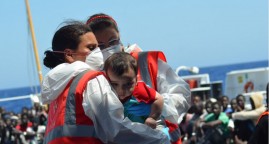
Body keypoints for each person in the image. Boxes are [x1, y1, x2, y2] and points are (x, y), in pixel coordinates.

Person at [41, 21, 169, 144]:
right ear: (69, 54)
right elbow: (116, 130)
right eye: (91, 48)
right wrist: (159, 138)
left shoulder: (57, 90)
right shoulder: (90, 80)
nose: (98, 52)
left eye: (98, 47)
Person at [86, 13, 191, 143]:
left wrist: (158, 108)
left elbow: (183, 96)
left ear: (120, 36)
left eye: (113, 41)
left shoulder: (147, 61)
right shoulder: (93, 76)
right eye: (100, 45)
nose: (108, 48)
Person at [104, 52, 164, 129]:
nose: (121, 91)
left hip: (143, 131)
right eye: (115, 84)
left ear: (136, 79)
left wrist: (152, 117)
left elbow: (159, 99)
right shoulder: (106, 92)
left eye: (128, 84)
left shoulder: (139, 90)